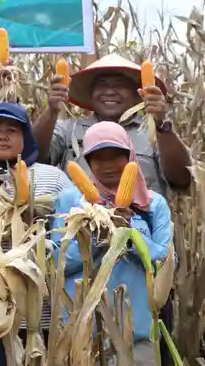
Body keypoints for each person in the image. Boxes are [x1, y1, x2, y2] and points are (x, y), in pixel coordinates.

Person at [53, 121, 173, 366]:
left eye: (116, 156)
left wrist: (128, 235)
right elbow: (58, 262)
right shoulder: (70, 201)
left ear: (130, 156)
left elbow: (166, 263)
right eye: (99, 158)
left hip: (138, 335)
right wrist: (100, 238)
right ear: (88, 161)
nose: (107, 165)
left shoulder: (153, 204)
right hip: (82, 335)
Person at [0, 102, 71, 365]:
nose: (2, 136)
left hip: (40, 311)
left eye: (12, 130)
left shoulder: (53, 178)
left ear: (26, 138)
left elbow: (72, 230)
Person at [34, 54, 192, 196]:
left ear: (138, 93)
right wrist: (51, 111)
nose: (110, 91)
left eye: (119, 85)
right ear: (91, 93)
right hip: (79, 225)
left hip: (140, 227)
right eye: (102, 85)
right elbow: (34, 157)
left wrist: (160, 124)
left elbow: (182, 179)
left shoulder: (156, 133)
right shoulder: (69, 130)